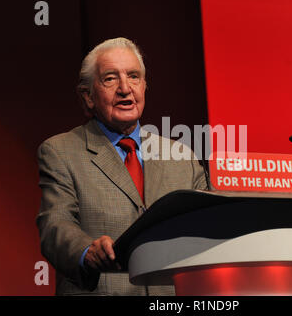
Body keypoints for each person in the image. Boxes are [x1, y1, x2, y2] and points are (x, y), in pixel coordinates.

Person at [36, 37, 208, 295]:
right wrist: (87, 251)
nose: (125, 88)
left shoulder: (182, 156)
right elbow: (55, 226)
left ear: (144, 86)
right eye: (110, 79)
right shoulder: (60, 151)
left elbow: (207, 224)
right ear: (88, 96)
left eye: (134, 76)